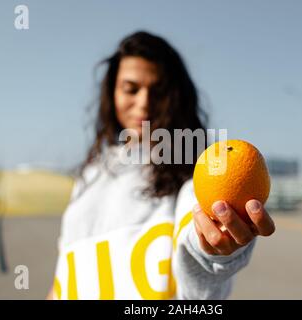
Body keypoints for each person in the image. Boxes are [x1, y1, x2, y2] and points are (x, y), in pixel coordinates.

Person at [47, 31, 275, 300]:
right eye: (131, 89)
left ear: (176, 97)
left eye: (158, 91)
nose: (144, 103)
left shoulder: (193, 172)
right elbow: (65, 273)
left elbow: (198, 275)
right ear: (111, 94)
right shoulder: (91, 173)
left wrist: (211, 253)